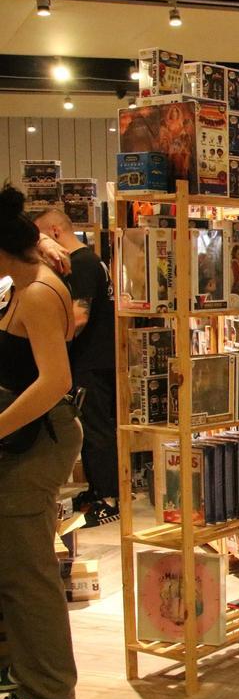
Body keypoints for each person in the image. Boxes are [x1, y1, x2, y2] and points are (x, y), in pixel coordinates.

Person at [0, 184, 83, 699]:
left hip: (37, 443)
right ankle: (27, 670)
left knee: (27, 571)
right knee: (16, 566)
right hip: (25, 440)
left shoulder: (34, 293)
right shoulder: (22, 284)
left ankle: (49, 687)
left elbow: (56, 381)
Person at [30, 207, 117, 527]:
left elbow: (78, 317)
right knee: (92, 428)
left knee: (95, 429)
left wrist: (48, 340)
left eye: (40, 239)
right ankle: (99, 491)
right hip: (94, 360)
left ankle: (108, 498)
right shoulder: (91, 261)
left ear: (54, 232)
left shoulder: (81, 263)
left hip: (90, 361)